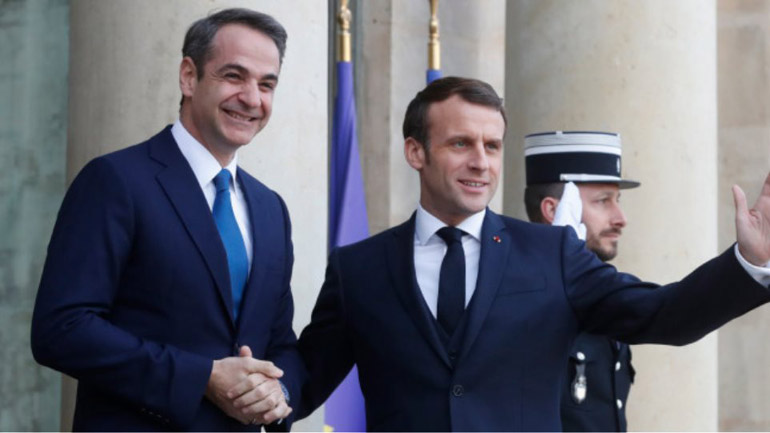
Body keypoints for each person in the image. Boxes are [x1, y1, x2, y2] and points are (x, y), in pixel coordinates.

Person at [296, 76, 770, 431]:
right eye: (461, 143)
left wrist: (749, 263)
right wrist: (257, 389)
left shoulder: (553, 253)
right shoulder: (358, 269)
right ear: (416, 152)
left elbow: (663, 314)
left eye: (492, 146)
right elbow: (303, 381)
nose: (480, 162)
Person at [30, 8, 302, 431]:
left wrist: (278, 392)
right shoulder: (115, 181)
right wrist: (201, 378)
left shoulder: (271, 209)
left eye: (266, 84)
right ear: (189, 77)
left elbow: (281, 343)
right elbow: (61, 329)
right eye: (234, 76)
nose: (252, 98)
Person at [523, 130, 639, 431]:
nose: (621, 218)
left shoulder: (604, 294)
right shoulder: (519, 299)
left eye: (617, 200)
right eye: (603, 201)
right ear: (553, 210)